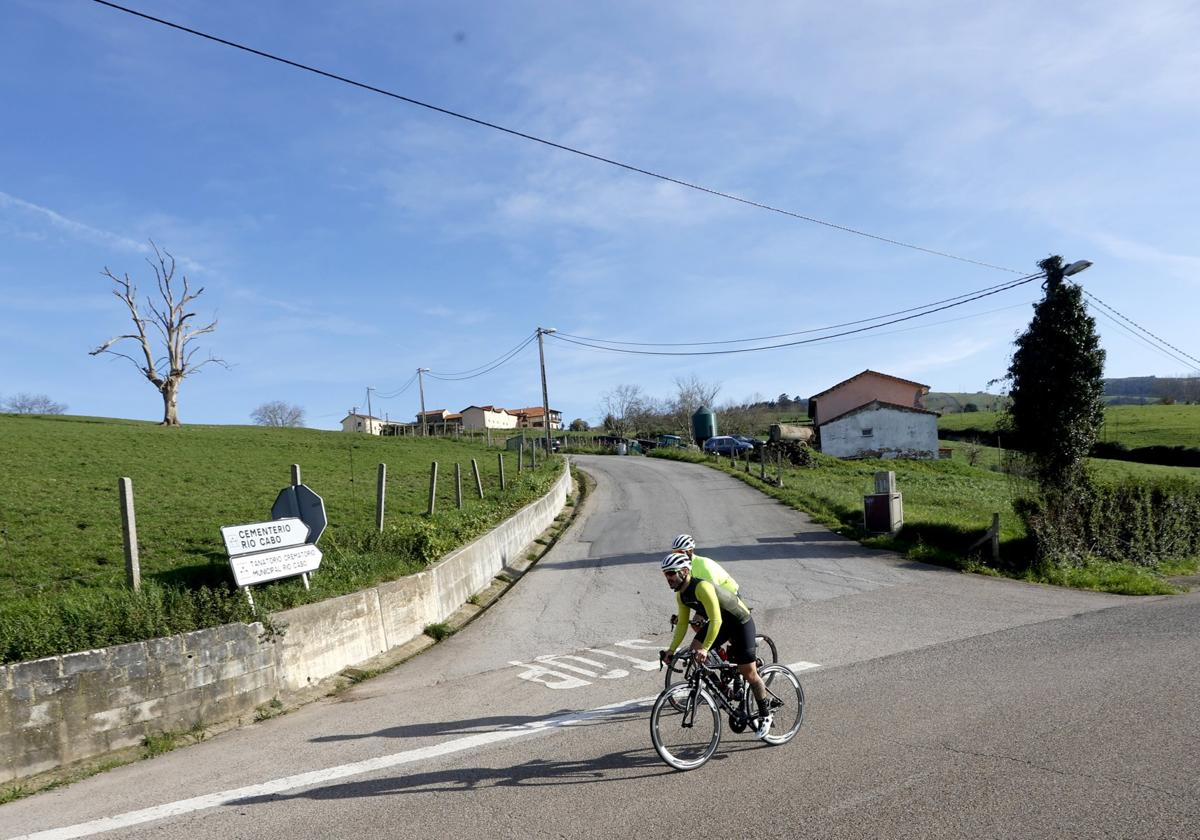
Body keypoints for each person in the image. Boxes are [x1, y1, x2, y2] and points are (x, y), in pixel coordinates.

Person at [659, 551, 775, 738]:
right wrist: (671, 651)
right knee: (693, 652)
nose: (668, 578)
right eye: (665, 574)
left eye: (671, 573)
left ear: (685, 571)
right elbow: (681, 624)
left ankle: (765, 714)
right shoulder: (681, 595)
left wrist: (706, 649)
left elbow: (716, 620)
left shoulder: (702, 587)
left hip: (739, 622)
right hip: (721, 623)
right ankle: (723, 691)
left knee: (749, 672)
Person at [670, 534, 738, 595]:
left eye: (680, 552)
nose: (677, 555)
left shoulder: (703, 564)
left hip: (730, 595)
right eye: (674, 553)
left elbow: (714, 590)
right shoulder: (682, 567)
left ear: (690, 550)